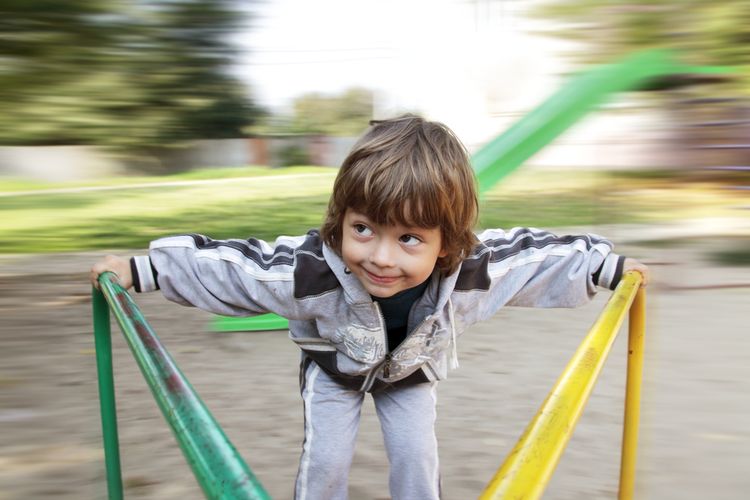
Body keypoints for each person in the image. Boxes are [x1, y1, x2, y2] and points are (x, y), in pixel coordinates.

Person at [91, 114, 649, 500]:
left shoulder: (468, 273)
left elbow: (532, 256)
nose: (381, 257)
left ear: (445, 242)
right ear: (342, 221)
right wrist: (142, 270)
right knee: (326, 462)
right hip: (334, 370)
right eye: (364, 229)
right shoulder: (313, 269)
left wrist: (604, 267)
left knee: (416, 459)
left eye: (409, 239)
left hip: (409, 371)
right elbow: (236, 266)